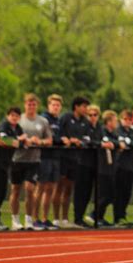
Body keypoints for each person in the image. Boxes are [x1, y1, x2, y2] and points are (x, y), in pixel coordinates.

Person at [10, 93, 52, 231]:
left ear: (37, 106)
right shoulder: (18, 119)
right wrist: (22, 140)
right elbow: (10, 137)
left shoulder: (42, 121)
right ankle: (15, 219)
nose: (31, 106)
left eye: (34, 104)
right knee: (15, 189)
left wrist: (39, 141)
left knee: (30, 189)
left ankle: (29, 220)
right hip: (17, 159)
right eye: (29, 104)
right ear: (25, 104)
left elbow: (49, 140)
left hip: (33, 160)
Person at [53, 96, 90, 228]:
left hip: (76, 158)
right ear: (76, 106)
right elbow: (57, 134)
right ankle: (56, 218)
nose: (86, 109)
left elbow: (87, 138)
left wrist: (80, 142)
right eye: (84, 106)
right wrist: (66, 139)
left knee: (69, 189)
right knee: (59, 187)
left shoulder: (85, 121)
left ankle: (65, 218)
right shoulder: (66, 117)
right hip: (63, 156)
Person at [0, 104, 25, 231]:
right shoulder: (3, 125)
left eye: (17, 116)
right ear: (7, 116)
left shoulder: (16, 128)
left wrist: (18, 141)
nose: (14, 118)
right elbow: (4, 140)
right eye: (12, 115)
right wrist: (18, 141)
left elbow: (22, 143)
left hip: (5, 164)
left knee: (1, 193)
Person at [34, 94, 64, 230]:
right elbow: (48, 138)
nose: (56, 107)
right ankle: (35, 218)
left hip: (55, 157)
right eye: (53, 105)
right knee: (40, 187)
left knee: (50, 188)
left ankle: (45, 218)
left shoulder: (59, 120)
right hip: (44, 156)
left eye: (58, 105)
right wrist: (60, 140)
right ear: (48, 106)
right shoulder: (43, 119)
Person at [73, 104, 103, 228]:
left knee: (89, 192)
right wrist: (100, 143)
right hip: (83, 162)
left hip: (94, 162)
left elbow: (101, 139)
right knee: (81, 191)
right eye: (90, 115)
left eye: (95, 115)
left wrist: (100, 143)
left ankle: (85, 217)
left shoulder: (99, 127)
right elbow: (86, 141)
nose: (92, 117)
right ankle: (78, 217)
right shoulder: (84, 126)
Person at [113, 109, 133, 226]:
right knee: (118, 192)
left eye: (129, 119)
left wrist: (130, 143)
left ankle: (123, 215)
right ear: (121, 119)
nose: (127, 121)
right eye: (125, 119)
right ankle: (117, 216)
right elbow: (122, 142)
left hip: (130, 166)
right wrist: (130, 143)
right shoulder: (117, 130)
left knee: (127, 192)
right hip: (120, 165)